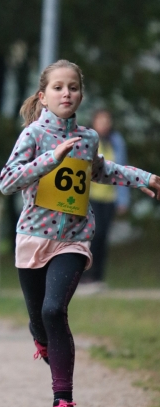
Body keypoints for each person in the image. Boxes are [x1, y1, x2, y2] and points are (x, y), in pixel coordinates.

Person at [0, 59, 160, 407]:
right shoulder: (33, 136)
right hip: (33, 239)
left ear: (81, 95)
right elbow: (7, 182)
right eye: (58, 87)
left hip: (73, 238)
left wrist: (146, 179)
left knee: (55, 310)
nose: (66, 93)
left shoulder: (88, 139)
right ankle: (41, 340)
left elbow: (104, 170)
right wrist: (49, 159)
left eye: (72, 87)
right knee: (40, 320)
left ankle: (63, 405)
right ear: (43, 96)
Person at [80, 109, 129, 290]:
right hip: (90, 197)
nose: (104, 124)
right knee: (92, 235)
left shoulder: (116, 142)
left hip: (109, 198)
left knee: (103, 238)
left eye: (107, 120)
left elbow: (122, 170)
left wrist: (123, 199)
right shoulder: (87, 140)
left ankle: (98, 277)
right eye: (101, 120)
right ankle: (85, 276)